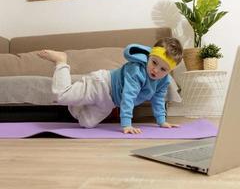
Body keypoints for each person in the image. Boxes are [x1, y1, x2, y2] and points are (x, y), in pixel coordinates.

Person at [38, 37, 183, 134]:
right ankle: (61, 61)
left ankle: (76, 101)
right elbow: (128, 97)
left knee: (86, 122)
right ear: (149, 56)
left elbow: (158, 100)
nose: (155, 70)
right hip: (101, 84)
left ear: (169, 71)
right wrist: (126, 124)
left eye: (163, 69)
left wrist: (162, 121)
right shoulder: (136, 69)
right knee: (61, 96)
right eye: (154, 62)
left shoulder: (164, 81)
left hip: (110, 102)